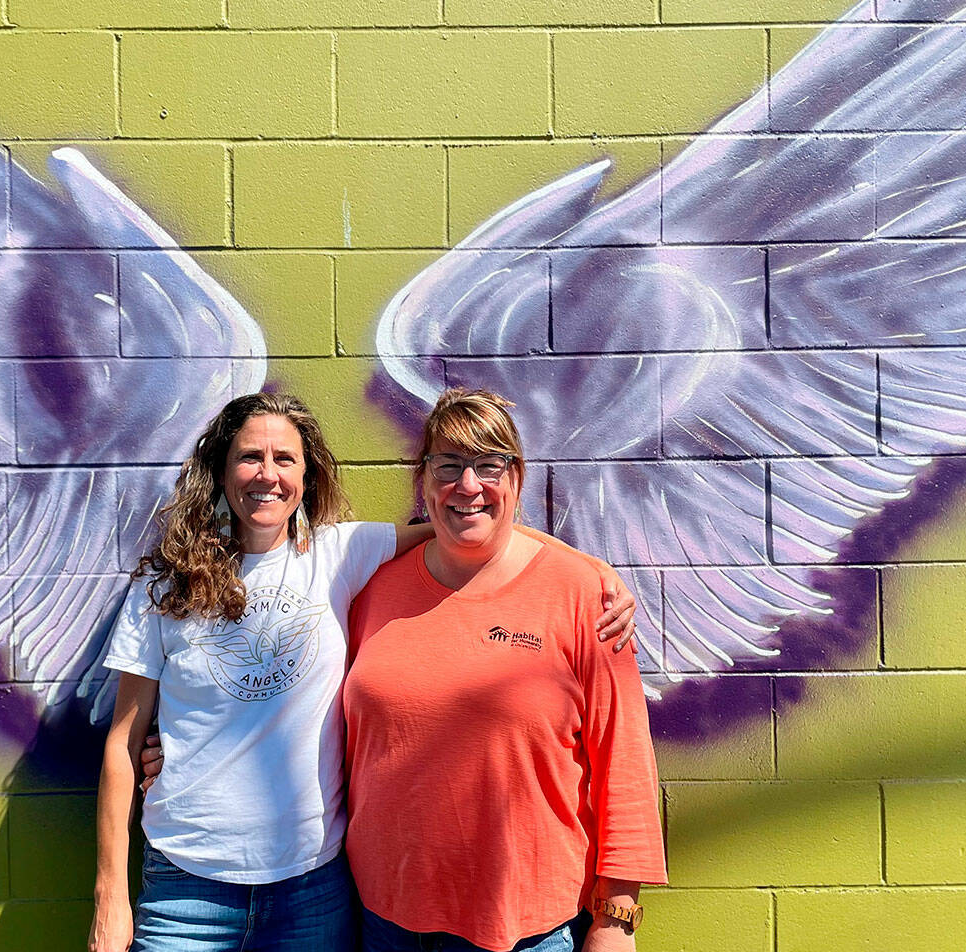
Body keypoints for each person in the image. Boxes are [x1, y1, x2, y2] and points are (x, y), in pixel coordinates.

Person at [90, 392, 640, 952]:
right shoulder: (167, 585)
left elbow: (473, 522)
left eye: (285, 459)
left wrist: (593, 568)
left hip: (314, 887)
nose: (268, 475)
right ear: (221, 469)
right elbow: (122, 742)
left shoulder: (338, 554)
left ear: (307, 476)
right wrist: (110, 896)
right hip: (194, 883)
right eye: (250, 456)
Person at [343, 388, 666, 952]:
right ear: (424, 479)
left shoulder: (583, 594)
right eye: (448, 465)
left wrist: (617, 917)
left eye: (489, 465)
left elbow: (624, 757)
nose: (468, 485)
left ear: (516, 478)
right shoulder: (371, 588)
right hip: (384, 918)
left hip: (526, 927)